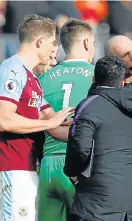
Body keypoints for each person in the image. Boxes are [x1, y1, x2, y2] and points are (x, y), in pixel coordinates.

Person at [0, 14, 74, 221]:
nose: (54, 49)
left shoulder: (32, 78)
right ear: (39, 42)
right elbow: (3, 119)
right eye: (52, 43)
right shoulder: (12, 70)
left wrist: (88, 127)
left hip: (27, 167)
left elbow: (53, 120)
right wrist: (49, 122)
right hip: (10, 166)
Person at [64, 56, 132, 221]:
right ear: (122, 83)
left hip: (95, 196)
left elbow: (80, 146)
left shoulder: (89, 105)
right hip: (128, 189)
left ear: (93, 79)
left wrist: (72, 172)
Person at [38, 18, 95, 221]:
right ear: (87, 43)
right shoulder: (96, 76)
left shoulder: (42, 79)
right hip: (78, 165)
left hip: (47, 167)